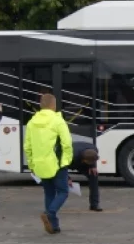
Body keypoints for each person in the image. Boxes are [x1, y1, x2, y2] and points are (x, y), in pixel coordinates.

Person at [24, 94, 73, 234]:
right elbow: (67, 143)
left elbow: (27, 146)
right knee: (63, 191)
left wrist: (32, 165)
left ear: (41, 105)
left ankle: (54, 226)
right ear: (54, 105)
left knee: (49, 192)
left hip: (40, 164)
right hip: (57, 163)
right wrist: (66, 161)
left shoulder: (32, 122)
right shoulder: (58, 120)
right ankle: (50, 213)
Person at [70, 141, 103, 212]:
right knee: (61, 182)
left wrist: (92, 166)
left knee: (94, 175)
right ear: (84, 160)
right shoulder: (71, 155)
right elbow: (61, 166)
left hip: (82, 161)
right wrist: (67, 178)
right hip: (68, 163)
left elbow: (93, 160)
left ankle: (94, 204)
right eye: (89, 162)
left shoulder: (95, 150)